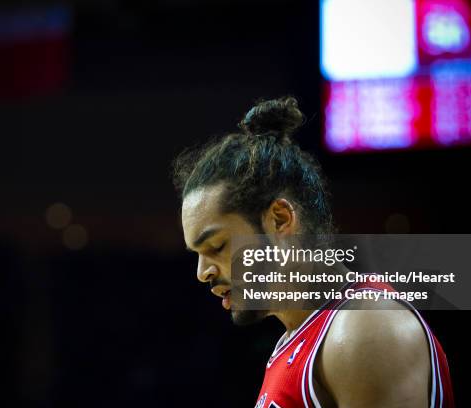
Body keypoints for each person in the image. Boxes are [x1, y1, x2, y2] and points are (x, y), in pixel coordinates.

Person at [172, 97, 454, 407]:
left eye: (216, 246)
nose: (203, 273)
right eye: (197, 254)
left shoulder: (364, 328)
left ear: (280, 219)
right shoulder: (298, 339)